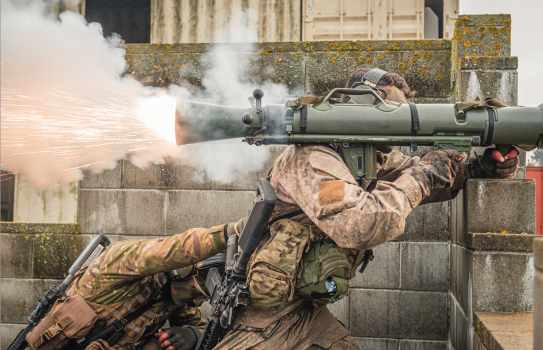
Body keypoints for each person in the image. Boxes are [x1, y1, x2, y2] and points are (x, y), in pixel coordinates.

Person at [157, 68, 520, 350]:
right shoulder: (314, 156)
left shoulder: (368, 153)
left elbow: (414, 176)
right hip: (262, 317)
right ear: (359, 105)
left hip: (304, 313)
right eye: (386, 109)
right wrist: (427, 172)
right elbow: (363, 223)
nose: (394, 120)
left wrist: (477, 167)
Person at [27, 225, 235, 350]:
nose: (197, 302)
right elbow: (175, 249)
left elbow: (206, 329)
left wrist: (192, 334)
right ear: (183, 272)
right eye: (198, 292)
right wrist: (232, 231)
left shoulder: (176, 301)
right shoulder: (122, 260)